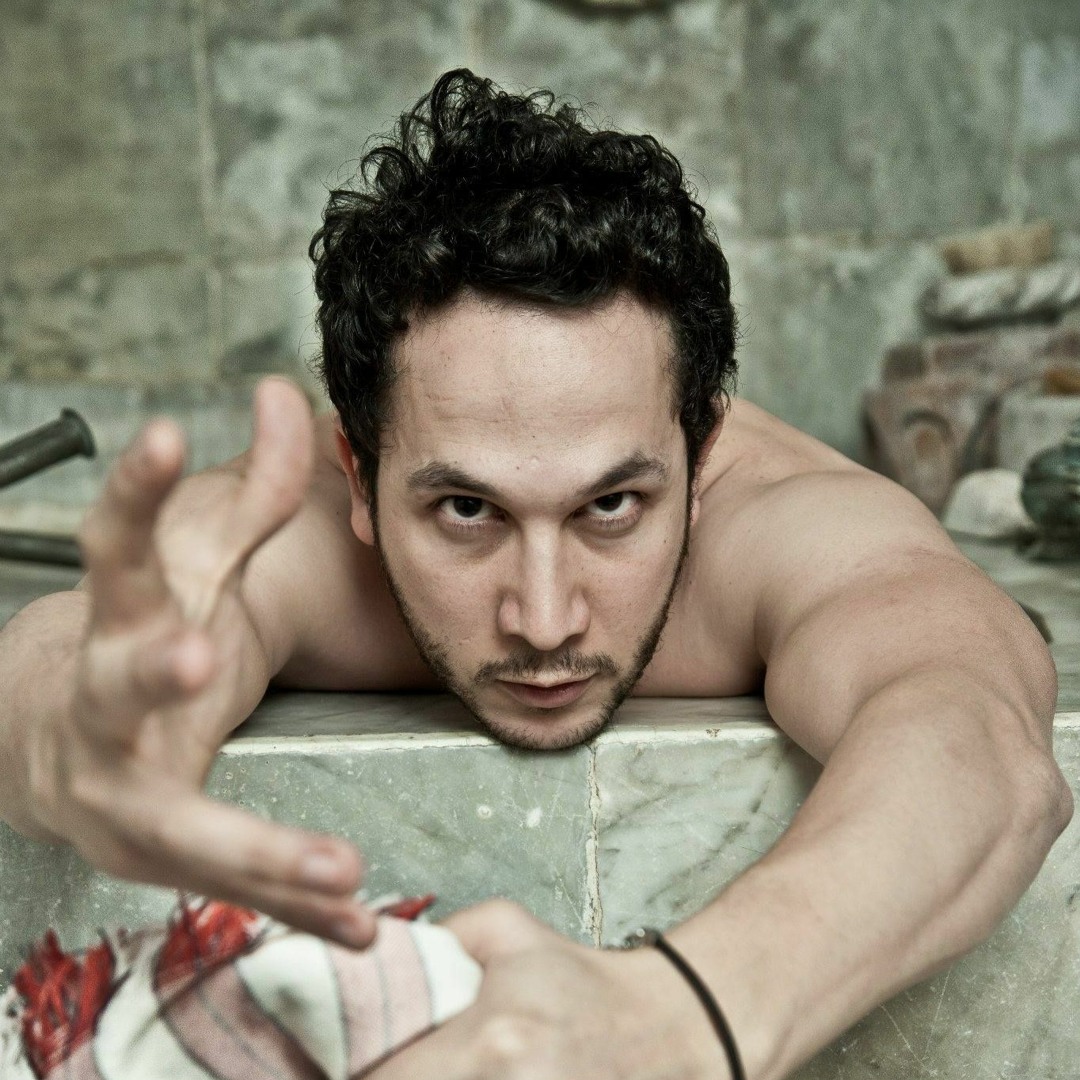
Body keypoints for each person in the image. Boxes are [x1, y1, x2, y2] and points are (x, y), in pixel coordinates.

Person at [0, 68, 1070, 1080]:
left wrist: (687, 1015)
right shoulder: (310, 538)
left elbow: (974, 733)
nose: (546, 620)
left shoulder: (786, 527)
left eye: (612, 507)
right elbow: (79, 651)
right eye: (467, 512)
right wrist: (85, 733)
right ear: (359, 478)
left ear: (701, 456)